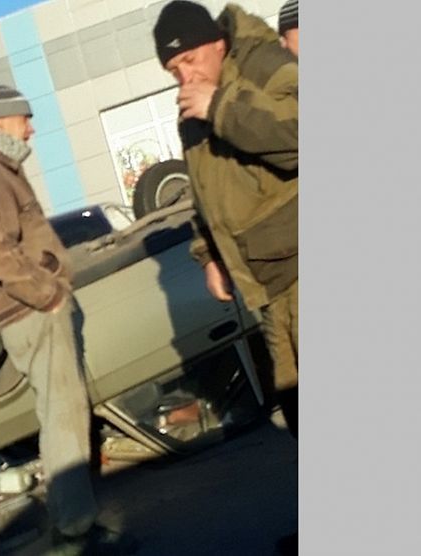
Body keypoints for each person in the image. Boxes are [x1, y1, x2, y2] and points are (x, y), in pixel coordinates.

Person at [0, 85, 136, 555]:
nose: (31, 127)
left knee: (65, 416)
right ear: (0, 123)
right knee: (64, 419)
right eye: (25, 118)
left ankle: (72, 526)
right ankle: (75, 534)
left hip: (32, 310)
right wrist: (49, 295)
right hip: (32, 313)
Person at [152, 1, 299, 437]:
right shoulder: (193, 106)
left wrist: (220, 106)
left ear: (217, 43)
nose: (185, 76)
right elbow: (203, 189)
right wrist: (208, 254)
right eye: (174, 69)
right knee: (297, 409)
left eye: (190, 60)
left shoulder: (263, 63)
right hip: (262, 281)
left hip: (300, 260)